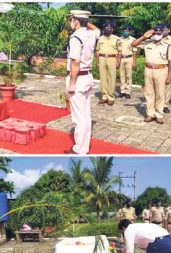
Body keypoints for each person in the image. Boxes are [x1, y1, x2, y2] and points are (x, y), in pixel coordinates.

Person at [64, 10, 100, 154]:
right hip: (87, 76)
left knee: (79, 117)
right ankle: (84, 146)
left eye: (71, 20)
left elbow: (75, 62)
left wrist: (71, 84)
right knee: (86, 114)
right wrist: (84, 21)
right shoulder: (90, 34)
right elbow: (97, 29)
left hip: (77, 78)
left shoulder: (75, 37)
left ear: (75, 21)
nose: (70, 23)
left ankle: (80, 149)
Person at [131, 25, 171, 124]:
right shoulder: (148, 44)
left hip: (161, 70)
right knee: (149, 93)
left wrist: (170, 76)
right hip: (148, 70)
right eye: (154, 33)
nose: (156, 35)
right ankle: (150, 113)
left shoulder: (167, 46)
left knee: (160, 93)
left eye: (158, 33)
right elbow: (133, 45)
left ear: (162, 34)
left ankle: (159, 114)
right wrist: (144, 36)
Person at [96, 21, 119, 105]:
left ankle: (111, 97)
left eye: (109, 28)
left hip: (112, 58)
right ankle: (104, 96)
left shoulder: (117, 38)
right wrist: (97, 61)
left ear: (112, 29)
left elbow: (119, 51)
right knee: (103, 77)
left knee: (112, 77)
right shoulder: (100, 38)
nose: (107, 29)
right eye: (106, 28)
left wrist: (118, 61)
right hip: (102, 58)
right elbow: (97, 50)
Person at [117, 25, 137, 99]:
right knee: (122, 75)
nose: (126, 32)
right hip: (121, 58)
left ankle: (128, 91)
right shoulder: (119, 39)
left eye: (127, 31)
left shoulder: (133, 40)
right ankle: (122, 91)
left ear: (130, 32)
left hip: (129, 58)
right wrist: (118, 61)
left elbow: (134, 52)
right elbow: (118, 51)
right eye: (124, 31)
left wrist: (134, 62)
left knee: (128, 76)